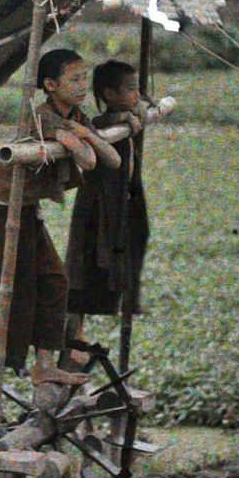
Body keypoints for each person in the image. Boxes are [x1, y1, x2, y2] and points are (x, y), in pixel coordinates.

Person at [0, 47, 119, 427]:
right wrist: (80, 138)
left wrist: (82, 132)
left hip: (28, 211)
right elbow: (89, 161)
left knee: (54, 280)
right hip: (1, 211)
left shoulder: (73, 116)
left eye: (85, 78)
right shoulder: (42, 116)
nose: (83, 86)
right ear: (50, 86)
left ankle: (45, 366)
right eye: (75, 80)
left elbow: (109, 159)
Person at [63, 58, 153, 360]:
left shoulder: (129, 117)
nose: (137, 95)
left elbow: (143, 106)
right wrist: (125, 118)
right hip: (96, 213)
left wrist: (132, 113)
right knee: (82, 274)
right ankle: (72, 341)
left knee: (116, 266)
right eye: (130, 89)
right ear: (110, 94)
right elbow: (98, 126)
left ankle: (75, 343)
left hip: (121, 211)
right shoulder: (104, 124)